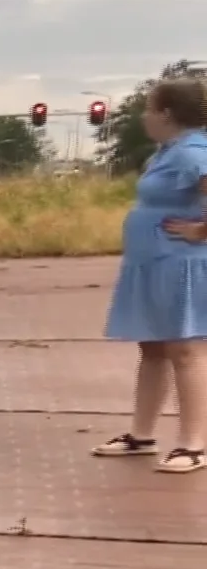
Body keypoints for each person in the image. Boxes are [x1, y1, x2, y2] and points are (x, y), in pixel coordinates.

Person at [93, 77, 207, 472]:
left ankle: (194, 444)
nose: (144, 116)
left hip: (181, 265)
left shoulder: (193, 153)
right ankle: (141, 435)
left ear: (167, 114)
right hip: (155, 263)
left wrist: (201, 230)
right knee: (154, 347)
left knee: (187, 350)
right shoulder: (168, 152)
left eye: (148, 108)